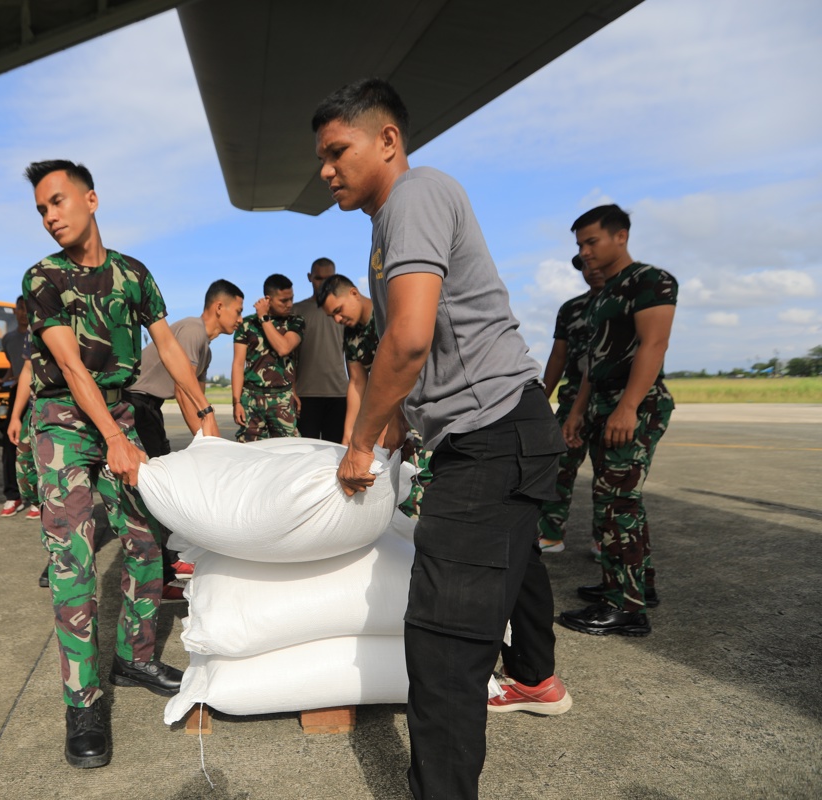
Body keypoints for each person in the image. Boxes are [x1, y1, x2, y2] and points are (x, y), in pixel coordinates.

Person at [314, 78, 571, 800]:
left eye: (338, 151)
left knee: (443, 648)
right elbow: (426, 343)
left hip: (490, 437)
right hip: (502, 433)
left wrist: (361, 441)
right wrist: (404, 417)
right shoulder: (386, 225)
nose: (326, 169)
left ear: (387, 140)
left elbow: (411, 337)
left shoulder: (415, 194)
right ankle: (537, 678)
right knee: (510, 572)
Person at [21, 159, 220, 769]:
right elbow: (73, 367)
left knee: (146, 540)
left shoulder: (133, 274)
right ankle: (83, 702)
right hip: (64, 425)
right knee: (74, 560)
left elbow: (167, 347)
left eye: (58, 201)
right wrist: (111, 436)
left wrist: (202, 415)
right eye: (41, 209)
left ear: (92, 199)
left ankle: (133, 657)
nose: (51, 216)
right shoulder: (41, 279)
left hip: (121, 418)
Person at [559, 204, 676, 637]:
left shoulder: (650, 281)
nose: (584, 252)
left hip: (635, 405)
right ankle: (634, 585)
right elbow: (594, 361)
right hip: (601, 403)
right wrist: (576, 411)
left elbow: (654, 344)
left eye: (592, 242)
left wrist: (628, 406)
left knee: (618, 504)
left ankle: (624, 608)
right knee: (616, 502)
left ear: (620, 236)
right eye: (580, 245)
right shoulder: (604, 295)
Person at [123, 279, 245, 596]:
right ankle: (161, 576)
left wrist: (212, 445)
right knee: (154, 488)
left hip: (150, 407)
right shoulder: (193, 330)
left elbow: (198, 400)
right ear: (219, 307)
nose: (240, 319)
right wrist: (210, 446)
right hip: (137, 406)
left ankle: (168, 564)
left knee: (162, 484)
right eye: (238, 310)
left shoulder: (203, 348)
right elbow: (182, 389)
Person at [317, 273, 431, 518]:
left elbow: (400, 370)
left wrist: (389, 422)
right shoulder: (351, 334)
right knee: (395, 486)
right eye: (332, 316)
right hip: (389, 416)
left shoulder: (389, 314)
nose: (338, 319)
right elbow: (357, 382)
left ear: (354, 294)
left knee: (423, 479)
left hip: (419, 410)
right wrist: (350, 434)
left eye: (338, 310)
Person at [534, 256, 606, 552]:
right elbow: (558, 357)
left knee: (608, 476)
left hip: (610, 398)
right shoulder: (571, 309)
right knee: (559, 467)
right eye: (585, 267)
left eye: (595, 264)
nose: (591, 270)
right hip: (572, 396)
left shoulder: (625, 304)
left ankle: (605, 540)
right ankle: (551, 533)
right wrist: (541, 401)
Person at [232, 274, 304, 441]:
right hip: (251, 398)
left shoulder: (295, 322)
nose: (289, 305)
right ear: (268, 299)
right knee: (249, 450)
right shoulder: (247, 325)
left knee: (290, 449)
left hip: (283, 397)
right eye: (284, 301)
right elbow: (238, 364)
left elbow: (284, 349)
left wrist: (264, 319)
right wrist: (236, 402)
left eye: (291, 299)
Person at [292, 257, 348, 442]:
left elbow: (354, 356)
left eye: (328, 278)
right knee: (307, 451)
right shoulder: (296, 311)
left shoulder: (345, 311)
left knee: (335, 451)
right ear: (309, 277)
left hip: (338, 392)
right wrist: (292, 390)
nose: (323, 282)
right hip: (306, 394)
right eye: (318, 278)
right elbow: (289, 357)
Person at [0, 295, 41, 521]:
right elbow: (20, 368)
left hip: (46, 396)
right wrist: (7, 379)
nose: (24, 312)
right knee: (12, 447)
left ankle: (38, 500)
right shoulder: (9, 339)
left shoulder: (43, 328)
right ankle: (14, 495)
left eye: (28, 308)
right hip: (20, 392)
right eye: (21, 308)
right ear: (15, 311)